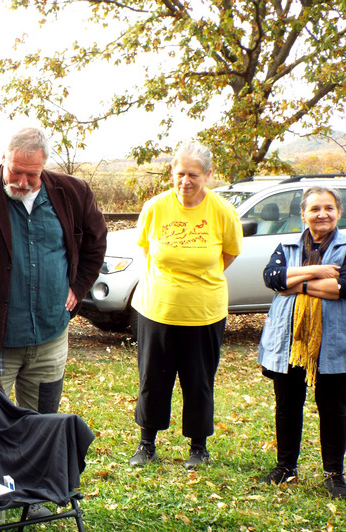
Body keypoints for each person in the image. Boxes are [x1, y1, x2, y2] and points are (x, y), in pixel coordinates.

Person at [0, 126, 107, 416]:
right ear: (3, 157)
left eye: (32, 174)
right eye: (15, 171)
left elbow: (96, 243)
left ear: (44, 166)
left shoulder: (74, 192)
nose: (22, 182)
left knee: (41, 422)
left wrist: (79, 286)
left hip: (50, 336)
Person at [128, 141, 243, 470]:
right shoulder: (155, 207)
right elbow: (147, 250)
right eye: (180, 173)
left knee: (199, 381)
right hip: (157, 310)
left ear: (208, 175)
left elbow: (230, 253)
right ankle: (146, 444)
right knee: (152, 379)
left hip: (204, 313)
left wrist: (199, 279)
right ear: (172, 173)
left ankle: (198, 447)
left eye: (193, 174)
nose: (185, 181)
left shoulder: (222, 211)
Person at [257, 186, 346, 500]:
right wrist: (317, 271)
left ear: (338, 212)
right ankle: (285, 467)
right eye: (315, 209)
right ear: (303, 214)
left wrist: (297, 283)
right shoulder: (287, 245)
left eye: (329, 208)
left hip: (334, 341)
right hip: (290, 340)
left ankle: (334, 474)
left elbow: (343, 287)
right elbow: (272, 278)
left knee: (333, 408)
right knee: (287, 405)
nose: (322, 214)